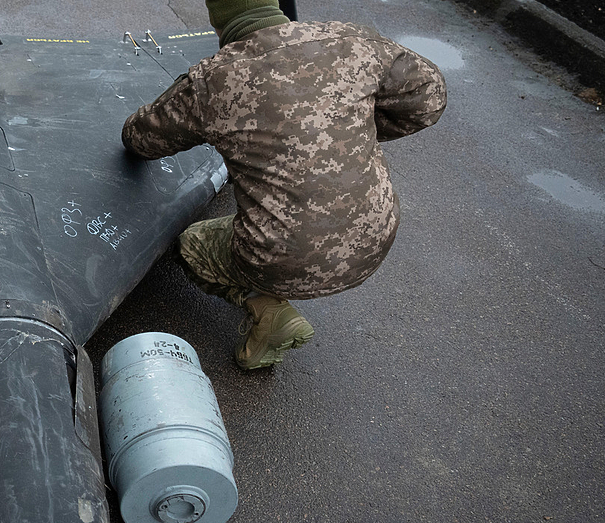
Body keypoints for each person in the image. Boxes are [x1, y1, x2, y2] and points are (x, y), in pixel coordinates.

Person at [122, 0, 447, 369]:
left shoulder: (214, 80)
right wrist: (349, 133)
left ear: (218, 20)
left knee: (193, 245)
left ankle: (266, 308)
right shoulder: (351, 40)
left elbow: (140, 139)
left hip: (282, 257)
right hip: (378, 237)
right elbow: (429, 100)